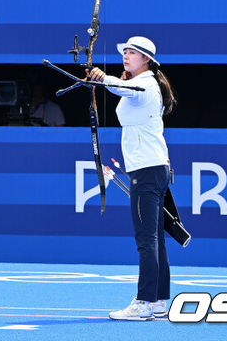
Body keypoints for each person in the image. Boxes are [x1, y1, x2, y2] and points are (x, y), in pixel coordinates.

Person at [88, 36, 177, 321]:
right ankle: (160, 300)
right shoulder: (144, 83)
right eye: (125, 51)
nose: (126, 55)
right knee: (155, 239)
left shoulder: (146, 84)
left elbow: (125, 88)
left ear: (146, 59)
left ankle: (143, 302)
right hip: (153, 168)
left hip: (148, 171)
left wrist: (102, 78)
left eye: (133, 53)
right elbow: (124, 88)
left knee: (146, 238)